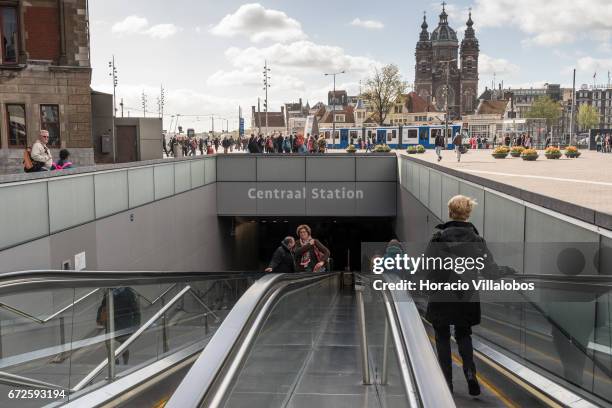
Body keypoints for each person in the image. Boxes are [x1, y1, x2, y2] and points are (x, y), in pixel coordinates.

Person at [424, 195, 512, 395]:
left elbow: (427, 267)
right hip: (466, 294)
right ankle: (470, 373)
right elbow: (490, 271)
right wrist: (507, 270)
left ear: (450, 212)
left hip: (442, 294)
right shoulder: (477, 240)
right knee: (464, 334)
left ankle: (446, 382)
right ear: (468, 213)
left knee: (442, 336)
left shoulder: (438, 238)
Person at [97, 287, 141, 365]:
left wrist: (136, 324)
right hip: (111, 323)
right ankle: (115, 361)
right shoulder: (109, 291)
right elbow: (103, 306)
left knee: (124, 346)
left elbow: (136, 310)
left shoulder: (128, 292)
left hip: (124, 324)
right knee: (108, 344)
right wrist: (99, 318)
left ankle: (125, 363)